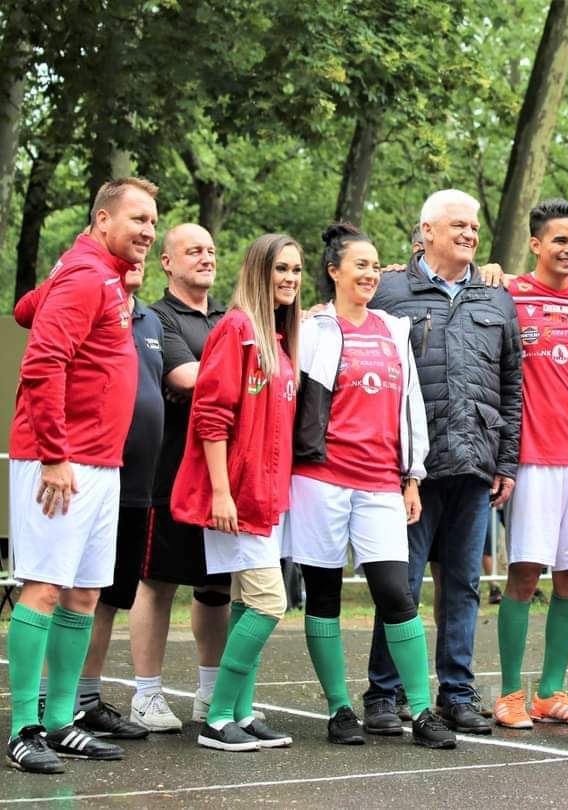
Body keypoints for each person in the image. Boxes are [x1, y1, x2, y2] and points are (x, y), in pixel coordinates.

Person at [6, 177, 158, 773]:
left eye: (153, 221)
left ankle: (61, 720)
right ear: (102, 220)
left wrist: (69, 267)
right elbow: (42, 361)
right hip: (61, 462)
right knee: (44, 588)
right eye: (137, 219)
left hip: (101, 463)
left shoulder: (97, 273)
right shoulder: (86, 276)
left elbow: (24, 310)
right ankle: (23, 729)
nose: (148, 231)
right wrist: (53, 454)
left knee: (85, 593)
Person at [286, 223, 455, 749]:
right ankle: (338, 708)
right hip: (320, 479)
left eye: (376, 265)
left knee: (396, 594)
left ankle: (421, 710)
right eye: (359, 264)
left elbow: (411, 407)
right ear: (334, 272)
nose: (370, 273)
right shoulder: (312, 329)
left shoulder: (392, 329)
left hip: (381, 483)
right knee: (324, 595)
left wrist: (412, 476)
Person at [363, 189, 522, 736]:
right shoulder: (388, 291)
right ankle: (384, 694)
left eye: (474, 227)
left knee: (463, 585)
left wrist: (507, 462)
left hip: (476, 463)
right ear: (426, 231)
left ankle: (456, 692)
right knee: (400, 585)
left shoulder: (496, 297)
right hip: (411, 468)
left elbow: (512, 385)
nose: (470, 234)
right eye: (458, 225)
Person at [171, 233, 302, 752]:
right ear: (258, 272)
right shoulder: (237, 329)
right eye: (280, 269)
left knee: (248, 603)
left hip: (267, 496)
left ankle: (241, 714)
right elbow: (211, 415)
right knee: (271, 602)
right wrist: (221, 493)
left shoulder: (277, 336)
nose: (289, 278)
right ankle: (217, 716)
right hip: (238, 496)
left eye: (295, 270)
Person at [494, 199, 568, 729]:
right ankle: (509, 693)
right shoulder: (508, 292)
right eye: (560, 240)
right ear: (536, 244)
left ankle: (550, 691)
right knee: (523, 576)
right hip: (533, 460)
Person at [127, 224, 234, 733]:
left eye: (210, 250)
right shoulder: (157, 317)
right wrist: (231, 376)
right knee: (158, 583)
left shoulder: (230, 318)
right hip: (169, 473)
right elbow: (182, 377)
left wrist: (209, 376)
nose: (206, 258)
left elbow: (210, 378)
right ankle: (146, 695)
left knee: (216, 588)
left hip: (223, 476)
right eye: (193, 251)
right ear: (167, 262)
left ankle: (210, 696)